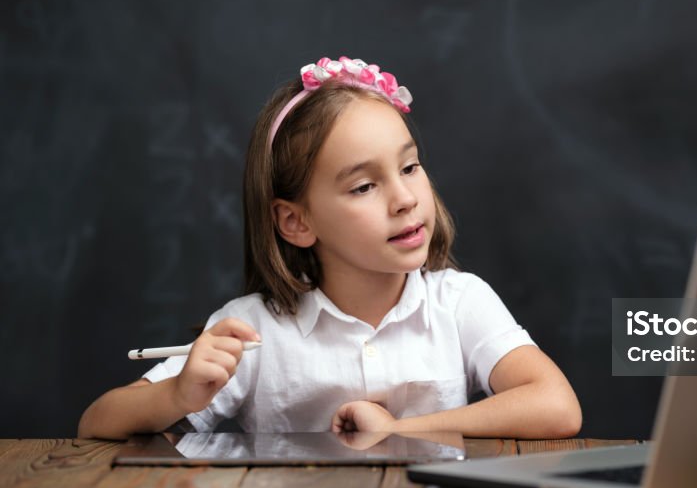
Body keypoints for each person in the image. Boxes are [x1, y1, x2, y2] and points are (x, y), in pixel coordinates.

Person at [79, 55, 582, 441]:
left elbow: (557, 407)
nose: (405, 199)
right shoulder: (254, 330)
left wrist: (400, 431)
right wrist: (176, 393)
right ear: (296, 222)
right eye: (364, 187)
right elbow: (96, 424)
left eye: (409, 168)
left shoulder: (459, 302)